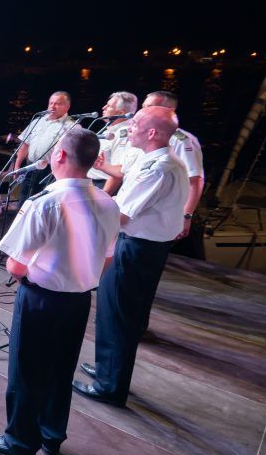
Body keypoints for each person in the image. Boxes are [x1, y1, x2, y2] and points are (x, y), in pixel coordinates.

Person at [0, 129, 120, 455]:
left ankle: (21, 442)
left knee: (27, 370)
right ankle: (52, 435)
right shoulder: (108, 203)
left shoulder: (45, 203)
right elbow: (108, 259)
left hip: (41, 299)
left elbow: (15, 265)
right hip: (80, 298)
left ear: (60, 157)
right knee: (61, 368)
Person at [73, 106, 189, 407]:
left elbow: (122, 214)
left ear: (152, 133)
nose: (130, 128)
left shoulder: (159, 168)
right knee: (116, 311)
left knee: (118, 314)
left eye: (136, 124)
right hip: (142, 246)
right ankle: (108, 368)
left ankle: (110, 385)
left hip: (137, 247)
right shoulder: (158, 161)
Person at [142, 91, 204, 238]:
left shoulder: (181, 140)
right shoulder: (145, 135)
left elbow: (195, 181)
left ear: (170, 111)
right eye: (144, 106)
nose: (143, 111)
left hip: (169, 215)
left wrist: (186, 216)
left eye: (150, 107)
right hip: (149, 213)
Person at [12, 91, 75, 197]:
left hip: (51, 172)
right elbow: (25, 144)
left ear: (67, 106)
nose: (52, 107)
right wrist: (17, 166)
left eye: (57, 104)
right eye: (51, 103)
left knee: (44, 203)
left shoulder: (71, 126)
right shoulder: (38, 121)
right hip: (31, 167)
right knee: (24, 202)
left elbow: (72, 155)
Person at [86, 91, 138, 189]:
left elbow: (118, 171)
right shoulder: (111, 128)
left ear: (121, 113)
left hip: (103, 185)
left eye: (109, 106)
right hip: (93, 183)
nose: (104, 108)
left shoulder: (124, 133)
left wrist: (104, 196)